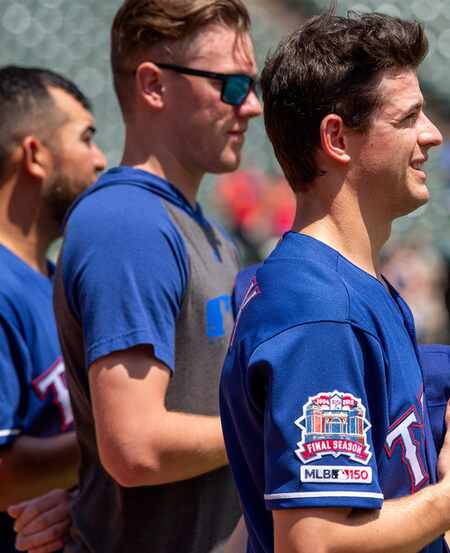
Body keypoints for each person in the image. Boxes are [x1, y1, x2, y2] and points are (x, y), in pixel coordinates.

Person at [220, 11, 450, 553]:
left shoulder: (350, 286)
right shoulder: (318, 311)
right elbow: (314, 541)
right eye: (409, 118)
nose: (434, 135)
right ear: (337, 138)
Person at [50, 1, 261, 552]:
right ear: (153, 85)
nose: (253, 106)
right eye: (233, 86)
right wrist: (279, 426)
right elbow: (135, 447)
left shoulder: (202, 229)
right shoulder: (129, 225)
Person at [0, 65, 106, 553]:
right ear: (35, 154)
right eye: (86, 138)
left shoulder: (49, 278)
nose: (100, 159)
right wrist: (121, 438)